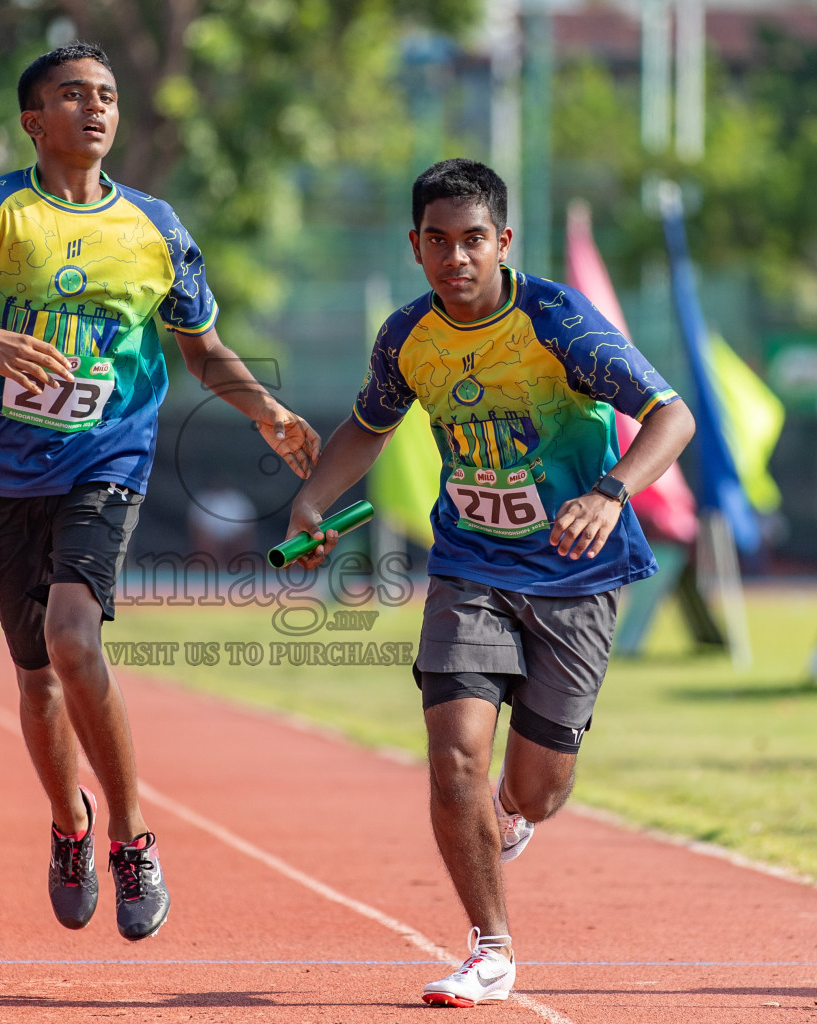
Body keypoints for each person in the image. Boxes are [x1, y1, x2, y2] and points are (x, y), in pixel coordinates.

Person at [0, 43, 321, 942]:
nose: (96, 108)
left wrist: (265, 407)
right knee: (36, 681)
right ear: (34, 120)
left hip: (107, 461)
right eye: (73, 95)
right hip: (9, 476)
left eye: (107, 96)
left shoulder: (155, 227)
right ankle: (69, 826)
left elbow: (199, 348)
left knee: (73, 636)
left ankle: (131, 837)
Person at [285, 159, 694, 1006]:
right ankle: (491, 948)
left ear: (503, 241)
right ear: (416, 245)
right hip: (470, 565)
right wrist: (311, 502)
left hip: (577, 575)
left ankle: (513, 809)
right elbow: (369, 427)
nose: (456, 258)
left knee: (537, 790)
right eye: (438, 241)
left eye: (473, 240)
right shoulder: (407, 336)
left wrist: (611, 492)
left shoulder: (557, 322)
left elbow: (671, 415)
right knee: (454, 758)